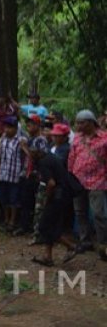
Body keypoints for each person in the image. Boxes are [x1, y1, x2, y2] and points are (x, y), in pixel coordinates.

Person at [29, 137, 78, 266]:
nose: (31, 153)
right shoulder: (51, 157)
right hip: (63, 195)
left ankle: (71, 246)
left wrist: (47, 198)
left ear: (38, 151)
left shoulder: (43, 162)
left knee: (45, 226)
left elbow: (51, 183)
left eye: (33, 151)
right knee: (51, 224)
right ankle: (48, 256)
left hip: (57, 196)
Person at [68, 110, 107, 260]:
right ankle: (85, 241)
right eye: (77, 122)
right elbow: (72, 158)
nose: (78, 125)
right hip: (78, 181)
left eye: (81, 122)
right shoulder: (77, 139)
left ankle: (103, 243)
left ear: (91, 123)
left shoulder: (104, 138)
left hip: (98, 181)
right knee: (80, 212)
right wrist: (70, 176)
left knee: (99, 214)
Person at [0, 116, 27, 233]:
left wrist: (23, 171)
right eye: (6, 127)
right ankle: (6, 220)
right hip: (3, 173)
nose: (7, 130)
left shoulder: (21, 140)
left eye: (10, 127)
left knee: (14, 199)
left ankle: (13, 221)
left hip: (15, 174)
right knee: (3, 198)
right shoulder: (2, 139)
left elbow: (26, 157)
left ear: (16, 128)